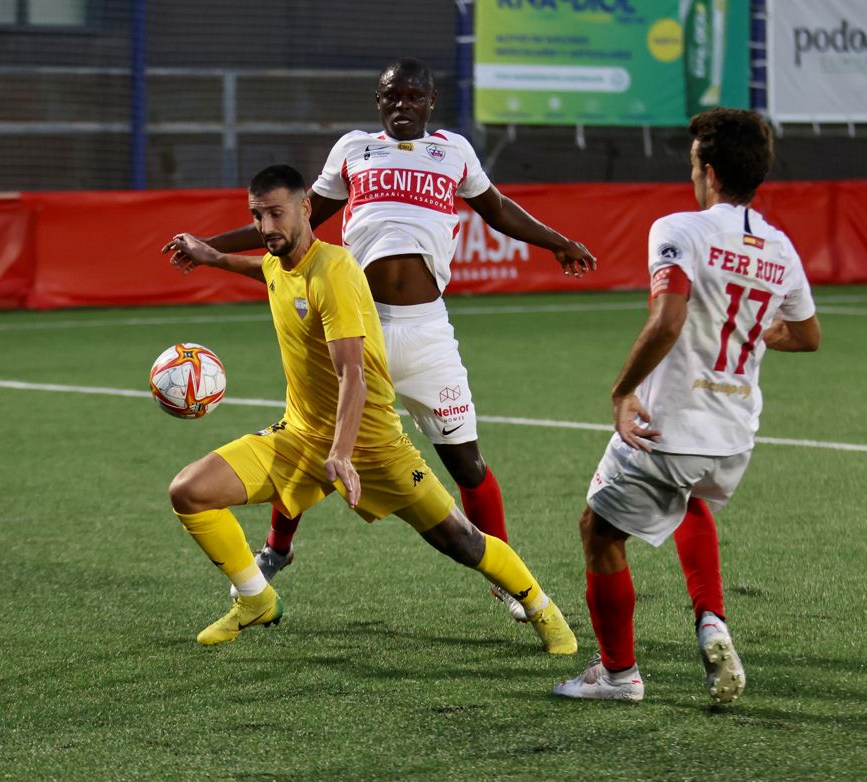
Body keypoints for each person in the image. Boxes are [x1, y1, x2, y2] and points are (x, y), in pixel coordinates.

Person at [164, 57, 596, 622]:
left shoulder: (455, 152)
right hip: (355, 326)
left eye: (413, 96)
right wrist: (210, 245)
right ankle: (278, 549)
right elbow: (289, 221)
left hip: (426, 334)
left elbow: (498, 210)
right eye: (391, 96)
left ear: (431, 102)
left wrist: (557, 241)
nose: (402, 104)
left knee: (466, 465)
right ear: (378, 101)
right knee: (310, 437)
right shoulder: (352, 150)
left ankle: (509, 581)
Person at [552, 109, 821, 703]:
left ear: (709, 170)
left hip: (669, 424)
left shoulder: (680, 228)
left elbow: (668, 318)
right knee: (689, 499)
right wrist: (754, 331)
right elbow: (807, 335)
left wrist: (622, 393)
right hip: (734, 435)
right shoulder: (780, 247)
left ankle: (619, 675)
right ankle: (711, 621)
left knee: (599, 531)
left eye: (694, 161)